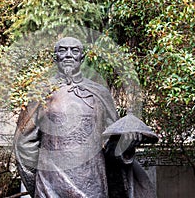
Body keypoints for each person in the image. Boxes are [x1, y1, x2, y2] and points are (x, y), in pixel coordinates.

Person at [14, 37, 156, 198]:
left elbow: (111, 146)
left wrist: (126, 144)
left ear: (82, 57)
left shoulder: (100, 94)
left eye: (74, 51)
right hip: (50, 186)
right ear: (55, 57)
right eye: (63, 50)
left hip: (93, 186)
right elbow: (23, 143)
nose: (68, 55)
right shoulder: (41, 92)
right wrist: (37, 183)